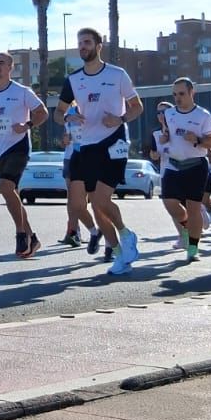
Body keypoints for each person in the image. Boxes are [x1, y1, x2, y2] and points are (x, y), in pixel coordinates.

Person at [53, 28, 144, 275]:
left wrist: (121, 119)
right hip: (84, 146)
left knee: (101, 202)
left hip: (112, 144)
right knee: (78, 203)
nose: (82, 47)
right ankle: (119, 254)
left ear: (98, 46)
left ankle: (125, 235)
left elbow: (137, 106)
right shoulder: (73, 79)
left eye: (87, 42)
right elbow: (58, 114)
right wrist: (69, 116)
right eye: (79, 43)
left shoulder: (117, 75)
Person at [0, 51, 45, 259]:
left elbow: (42, 112)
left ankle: (20, 234)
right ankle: (32, 238)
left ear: (10, 68)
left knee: (6, 187)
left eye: (2, 63)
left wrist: (27, 125)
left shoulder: (22, 92)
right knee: (11, 194)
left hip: (19, 147)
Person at [157, 79, 211, 261]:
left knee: (193, 209)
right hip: (173, 164)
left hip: (195, 165)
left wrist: (198, 140)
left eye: (181, 94)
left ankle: (193, 247)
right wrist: (164, 138)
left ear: (192, 92)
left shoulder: (203, 115)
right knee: (170, 203)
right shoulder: (168, 114)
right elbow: (167, 134)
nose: (177, 98)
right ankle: (187, 228)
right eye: (175, 94)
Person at [60, 103, 97, 249]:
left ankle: (101, 233)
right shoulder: (69, 112)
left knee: (92, 200)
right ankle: (74, 232)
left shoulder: (94, 109)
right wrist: (65, 140)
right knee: (72, 199)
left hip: (90, 157)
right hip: (71, 158)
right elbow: (65, 139)